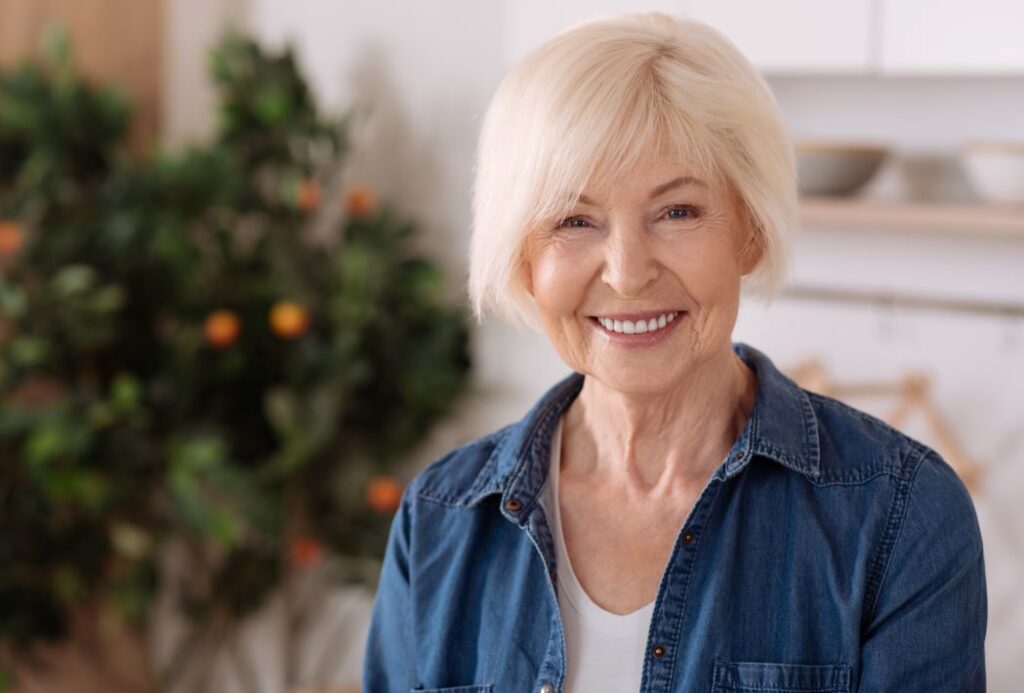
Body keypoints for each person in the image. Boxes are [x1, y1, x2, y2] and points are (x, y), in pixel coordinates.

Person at [362, 12, 987, 693]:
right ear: (524, 260)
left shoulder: (901, 515)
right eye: (574, 220)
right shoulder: (441, 519)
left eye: (678, 212)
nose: (628, 272)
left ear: (748, 231)